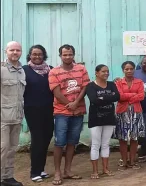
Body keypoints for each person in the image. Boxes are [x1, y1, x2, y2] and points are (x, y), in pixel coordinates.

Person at [48, 44, 90, 185]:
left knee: (72, 142)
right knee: (59, 143)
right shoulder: (54, 72)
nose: (67, 57)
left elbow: (85, 86)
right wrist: (71, 106)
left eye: (70, 54)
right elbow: (57, 92)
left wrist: (76, 103)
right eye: (65, 54)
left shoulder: (81, 69)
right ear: (60, 55)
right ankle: (58, 173)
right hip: (61, 112)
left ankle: (68, 170)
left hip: (78, 111)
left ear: (74, 55)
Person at [22, 45, 54, 183]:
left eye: (40, 54)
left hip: (49, 109)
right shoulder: (24, 70)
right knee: (37, 139)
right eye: (34, 54)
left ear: (44, 55)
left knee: (47, 137)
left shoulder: (51, 69)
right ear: (30, 55)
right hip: (32, 109)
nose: (37, 57)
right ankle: (34, 171)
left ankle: (41, 169)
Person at [85, 64, 120, 179]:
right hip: (95, 119)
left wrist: (102, 99)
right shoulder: (90, 86)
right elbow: (93, 100)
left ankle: (105, 169)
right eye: (103, 71)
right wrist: (108, 97)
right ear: (96, 73)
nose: (106, 73)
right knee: (95, 144)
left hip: (109, 118)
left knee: (105, 144)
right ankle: (95, 171)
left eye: (107, 71)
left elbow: (117, 97)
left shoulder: (111, 84)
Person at [1, 41, 25, 186]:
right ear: (6, 51)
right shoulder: (1, 68)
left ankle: (7, 177)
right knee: (2, 148)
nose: (15, 53)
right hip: (2, 117)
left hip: (16, 116)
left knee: (12, 148)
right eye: (12, 50)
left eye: (18, 50)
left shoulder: (21, 70)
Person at [114, 61, 145, 170]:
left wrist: (128, 97)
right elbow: (119, 96)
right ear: (123, 70)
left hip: (136, 112)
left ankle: (132, 161)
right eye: (127, 69)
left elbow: (142, 96)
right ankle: (124, 161)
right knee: (122, 138)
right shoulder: (118, 82)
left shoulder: (139, 81)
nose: (129, 71)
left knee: (134, 138)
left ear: (134, 70)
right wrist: (133, 95)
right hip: (122, 112)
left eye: (131, 69)